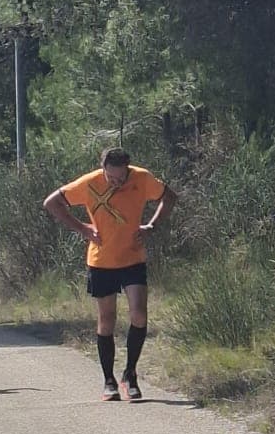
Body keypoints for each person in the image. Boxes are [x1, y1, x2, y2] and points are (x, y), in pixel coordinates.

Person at [44, 148, 177, 401]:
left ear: (128, 170)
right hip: (101, 260)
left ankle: (130, 374)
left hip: (133, 257)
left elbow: (169, 197)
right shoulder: (89, 183)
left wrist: (151, 225)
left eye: (121, 178)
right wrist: (83, 229)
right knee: (107, 319)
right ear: (102, 168)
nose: (116, 182)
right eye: (111, 178)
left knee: (139, 314)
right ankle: (109, 380)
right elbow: (52, 203)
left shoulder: (141, 178)